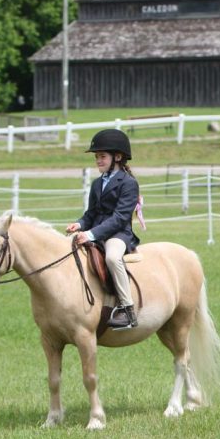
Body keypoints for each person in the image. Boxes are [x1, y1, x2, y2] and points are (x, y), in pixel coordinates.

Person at [66, 128, 141, 330]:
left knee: (112, 258)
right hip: (96, 232)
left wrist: (90, 234)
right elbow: (91, 213)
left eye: (102, 156)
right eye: (97, 157)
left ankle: (127, 309)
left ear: (117, 157)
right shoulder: (97, 183)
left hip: (117, 234)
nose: (98, 160)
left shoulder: (129, 183)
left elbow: (119, 218)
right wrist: (79, 224)